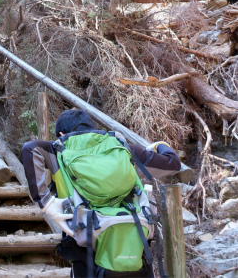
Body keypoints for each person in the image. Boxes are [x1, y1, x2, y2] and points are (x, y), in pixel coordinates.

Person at [21, 109, 181, 278]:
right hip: (133, 232)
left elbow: (30, 149)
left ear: (61, 134)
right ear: (92, 127)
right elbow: (172, 163)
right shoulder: (121, 147)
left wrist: (46, 203)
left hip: (84, 235)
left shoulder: (58, 150)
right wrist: (160, 145)